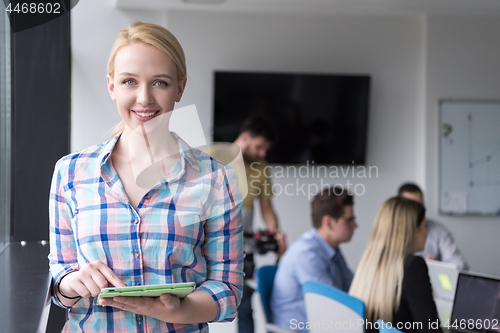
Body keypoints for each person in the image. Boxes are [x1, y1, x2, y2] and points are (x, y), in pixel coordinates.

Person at [48, 21, 244, 332]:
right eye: (129, 82)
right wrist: (72, 283)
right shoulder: (70, 173)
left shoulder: (217, 180)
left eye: (160, 83)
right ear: (111, 86)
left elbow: (228, 293)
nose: (144, 99)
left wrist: (176, 311)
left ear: (180, 88)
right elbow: (60, 282)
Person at [270, 186, 357, 332]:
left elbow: (353, 288)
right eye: (350, 220)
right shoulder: (307, 255)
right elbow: (335, 307)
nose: (355, 225)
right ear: (328, 222)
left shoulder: (331, 248)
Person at [349, 196, 442, 333]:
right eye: (423, 227)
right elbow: (431, 330)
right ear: (410, 231)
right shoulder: (413, 266)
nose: (427, 233)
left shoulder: (369, 262)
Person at [232, 114, 287, 333]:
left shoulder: (261, 167)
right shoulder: (213, 159)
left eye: (266, 149)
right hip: (210, 245)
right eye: (259, 147)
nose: (263, 153)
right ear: (245, 137)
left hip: (244, 248)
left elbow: (266, 208)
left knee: (245, 304)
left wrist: (277, 234)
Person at [398, 183, 469, 270]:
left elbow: (460, 265)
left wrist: (437, 266)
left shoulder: (437, 230)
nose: (417, 211)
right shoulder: (392, 235)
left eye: (420, 206)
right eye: (411, 206)